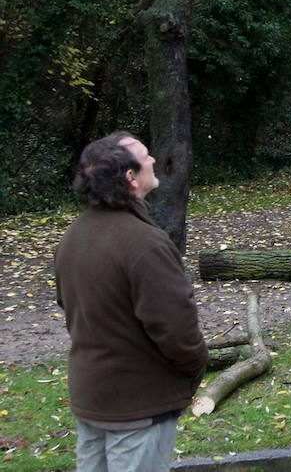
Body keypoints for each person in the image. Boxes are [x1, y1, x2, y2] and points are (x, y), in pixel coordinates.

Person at [55, 132, 208, 472]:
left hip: (93, 397)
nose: (154, 159)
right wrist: (195, 368)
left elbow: (70, 308)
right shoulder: (144, 244)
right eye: (145, 156)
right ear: (130, 178)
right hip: (139, 406)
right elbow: (177, 331)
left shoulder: (74, 236)